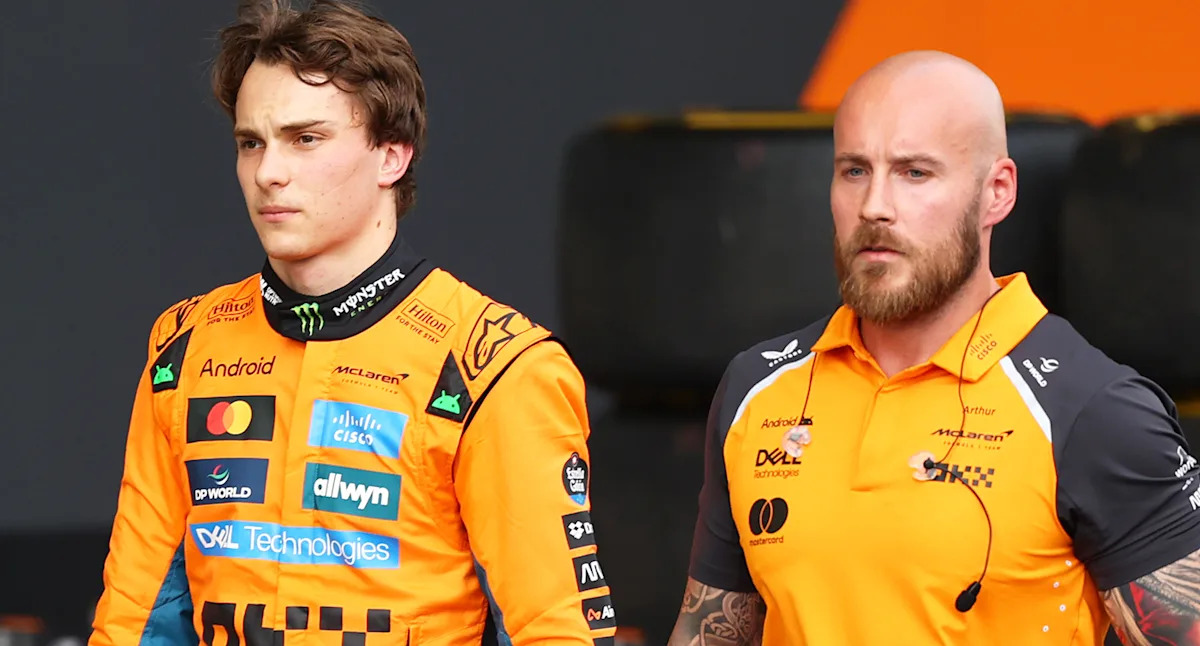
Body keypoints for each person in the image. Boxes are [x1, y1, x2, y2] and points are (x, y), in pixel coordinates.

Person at [89, 1, 615, 644]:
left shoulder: (496, 366)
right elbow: (135, 618)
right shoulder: (186, 343)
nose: (268, 173)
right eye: (251, 143)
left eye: (305, 139)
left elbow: (555, 631)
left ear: (392, 155)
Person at [668, 50, 1200, 645]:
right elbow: (709, 631)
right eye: (854, 171)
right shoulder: (757, 388)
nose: (875, 206)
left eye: (914, 172)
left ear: (997, 192)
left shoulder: (1092, 409)